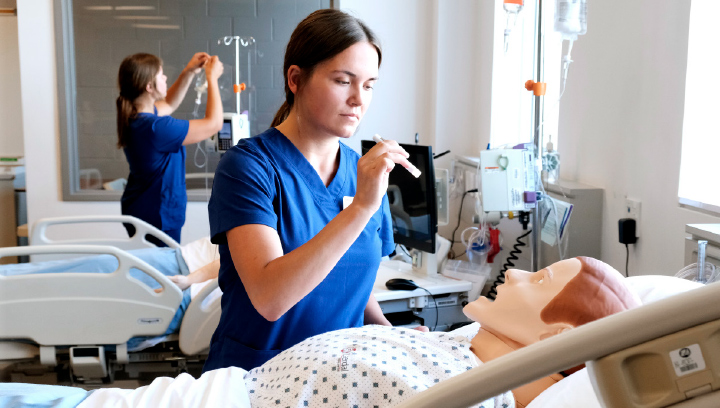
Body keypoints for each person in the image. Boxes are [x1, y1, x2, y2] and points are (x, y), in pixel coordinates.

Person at [203, 9, 422, 373]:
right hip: (256, 376)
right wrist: (360, 209)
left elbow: (356, 283)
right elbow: (270, 297)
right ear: (295, 79)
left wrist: (394, 337)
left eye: (368, 85)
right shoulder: (248, 168)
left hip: (336, 379)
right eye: (342, 81)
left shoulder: (364, 173)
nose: (358, 99)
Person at [240, 256, 641, 408]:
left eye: (538, 280)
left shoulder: (471, 396)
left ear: (555, 340)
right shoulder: (462, 345)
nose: (515, 272)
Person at [463, 256, 642, 407]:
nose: (512, 273)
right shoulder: (458, 359)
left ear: (560, 339)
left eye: (540, 280)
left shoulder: (465, 391)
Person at [116, 52, 225, 245]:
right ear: (149, 87)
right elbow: (214, 124)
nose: (165, 77)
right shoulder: (156, 128)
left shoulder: (134, 116)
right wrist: (212, 78)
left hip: (142, 210)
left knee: (150, 266)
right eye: (161, 75)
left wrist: (189, 71)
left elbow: (168, 103)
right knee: (162, 271)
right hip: (157, 216)